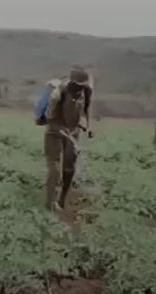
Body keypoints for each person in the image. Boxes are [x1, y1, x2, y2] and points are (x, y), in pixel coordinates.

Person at [42, 66, 93, 212]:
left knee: (69, 169)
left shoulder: (87, 91)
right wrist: (61, 129)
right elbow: (49, 117)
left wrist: (87, 125)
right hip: (54, 132)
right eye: (76, 85)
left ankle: (62, 200)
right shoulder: (59, 93)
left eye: (81, 86)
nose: (79, 89)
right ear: (71, 82)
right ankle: (50, 204)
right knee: (55, 169)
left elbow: (86, 109)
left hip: (73, 133)